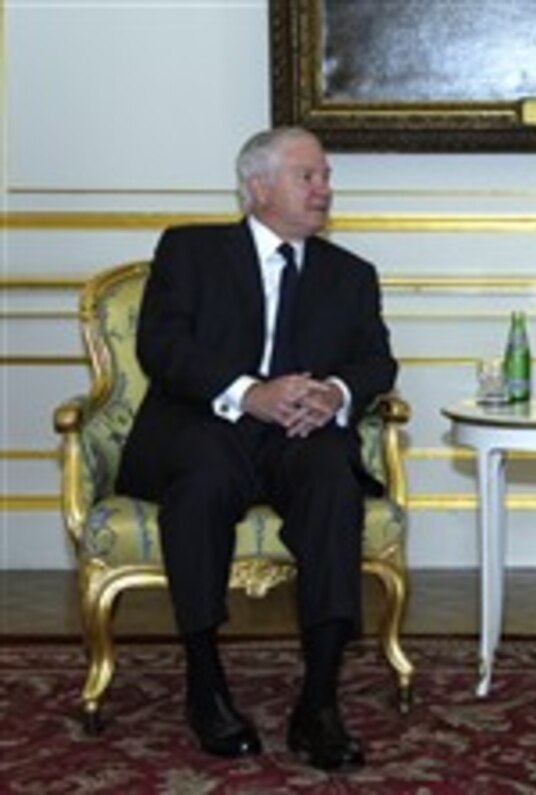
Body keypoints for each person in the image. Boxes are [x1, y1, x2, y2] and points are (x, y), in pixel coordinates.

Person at [116, 127, 397, 771]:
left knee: (332, 477)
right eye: (309, 176)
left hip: (300, 435)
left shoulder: (351, 275)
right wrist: (248, 394)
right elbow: (161, 348)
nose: (325, 188)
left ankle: (320, 700)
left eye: (326, 176)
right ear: (258, 186)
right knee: (205, 477)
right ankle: (206, 683)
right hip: (207, 424)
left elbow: (378, 362)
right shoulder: (190, 250)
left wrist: (334, 393)